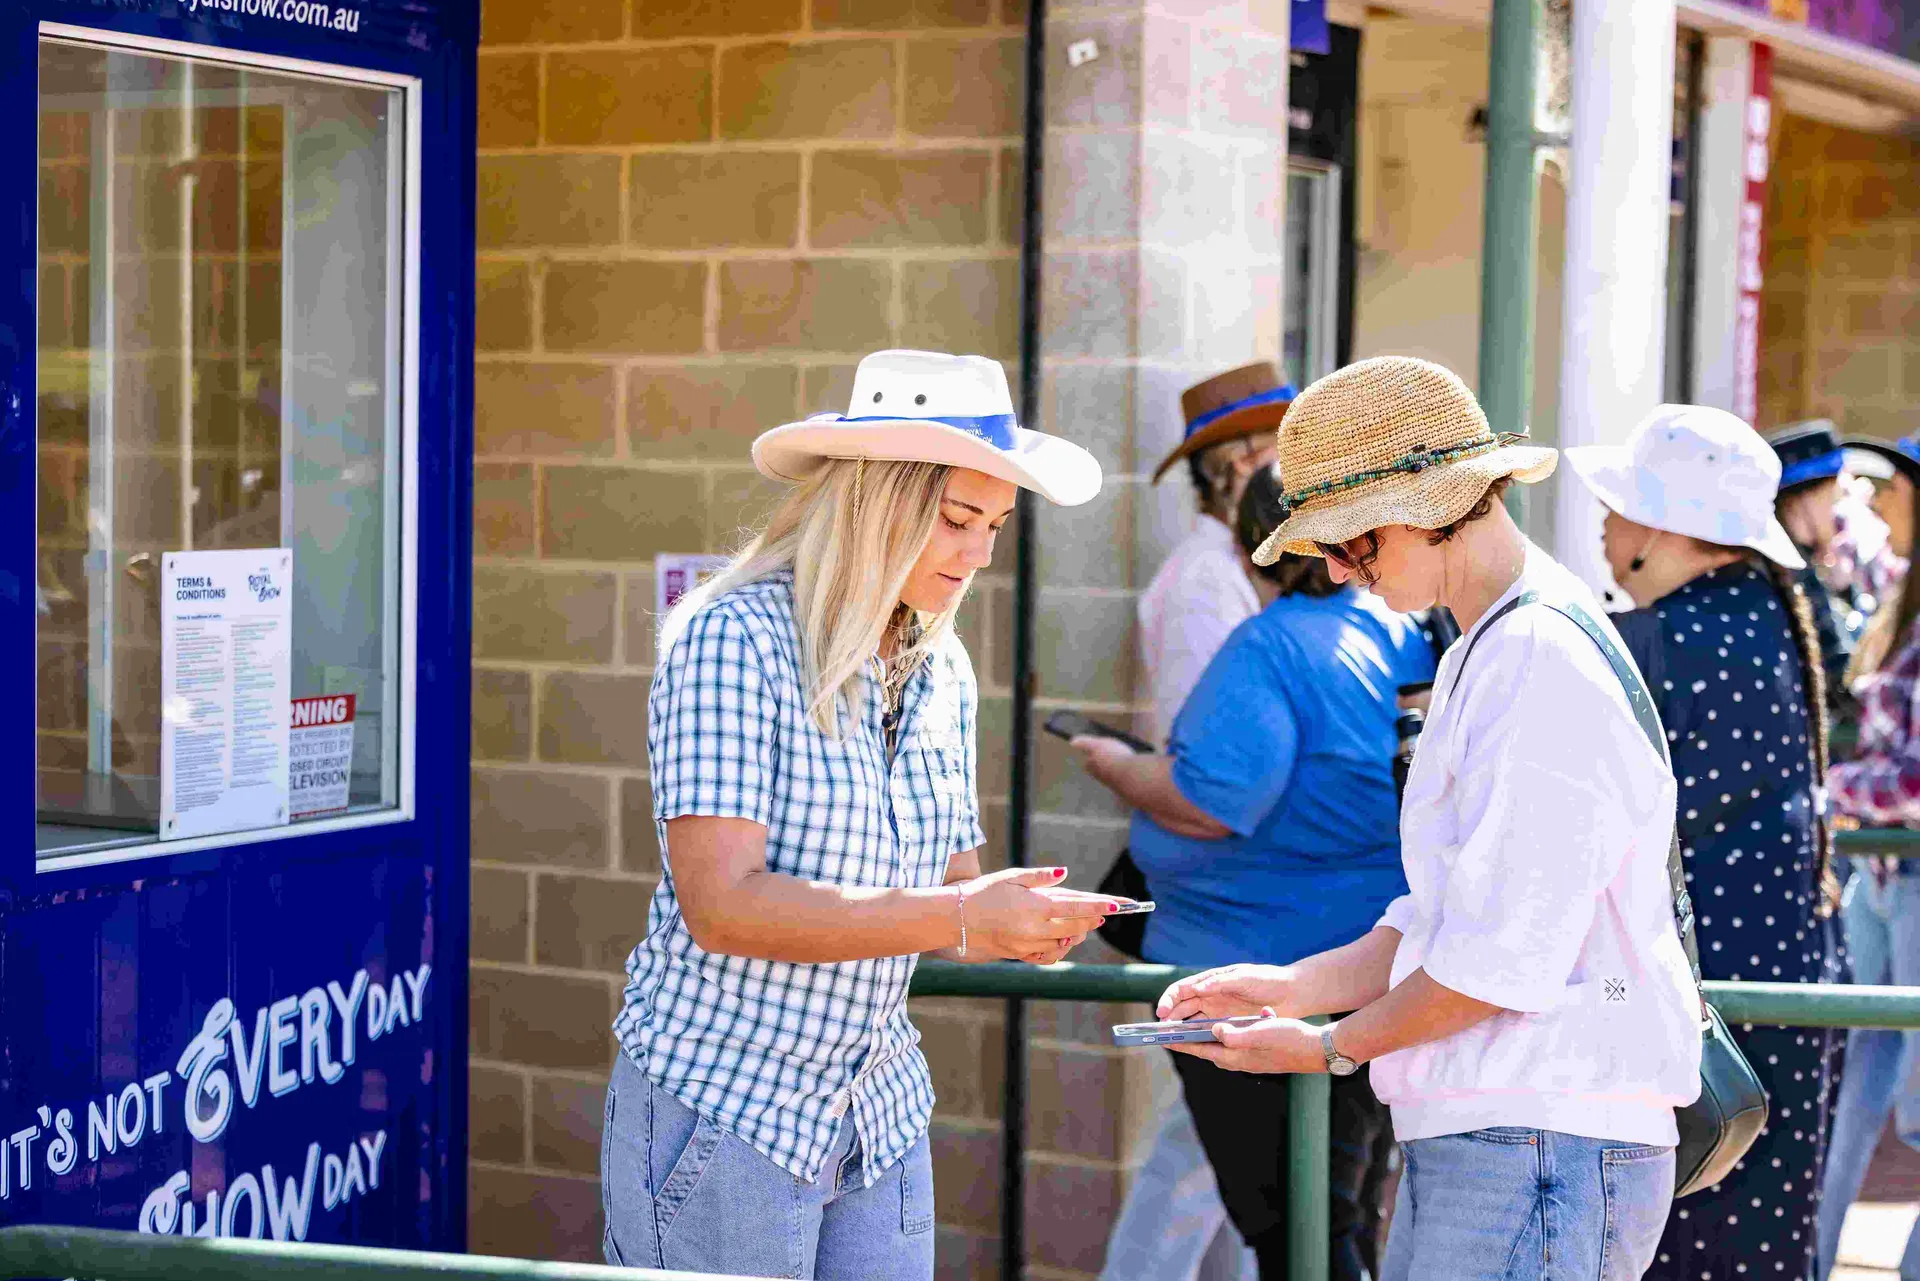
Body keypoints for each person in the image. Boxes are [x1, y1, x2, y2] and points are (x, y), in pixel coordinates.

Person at [1157, 356, 1701, 1281]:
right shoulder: (1496, 643)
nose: (1333, 566)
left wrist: (1327, 1043)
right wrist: (1291, 986)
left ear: (1430, 504)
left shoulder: (1530, 654)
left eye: (1352, 541)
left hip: (1537, 1138)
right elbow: (1447, 922)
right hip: (1513, 1135)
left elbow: (1495, 959)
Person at [602, 349, 1115, 1280]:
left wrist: (1015, 918)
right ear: (883, 501)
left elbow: (949, 889)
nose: (984, 551)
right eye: (960, 519)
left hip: (877, 1111)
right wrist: (963, 914)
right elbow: (723, 905)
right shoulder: (731, 639)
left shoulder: (945, 665)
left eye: (996, 524)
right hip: (724, 1106)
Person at [1073, 462, 1435, 1280]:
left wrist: (1117, 765)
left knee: (1300, 1233)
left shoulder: (1271, 646)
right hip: (1351, 966)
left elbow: (1217, 798)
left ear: (1249, 550)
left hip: (1269, 970)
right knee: (1332, 1219)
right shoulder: (1390, 627)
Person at [1561, 403, 1839, 1281]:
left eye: (1617, 502)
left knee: (1670, 1242)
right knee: (1759, 1243)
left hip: (1684, 1004)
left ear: (1662, 527)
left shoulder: (1650, 641)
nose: (1603, 520)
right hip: (1784, 985)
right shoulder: (1771, 617)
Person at [1101, 363, 1295, 1281]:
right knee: (1201, 1155)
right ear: (1220, 467)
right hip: (1228, 892)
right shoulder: (1203, 581)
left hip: (1262, 892)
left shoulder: (1242, 572)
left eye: (1276, 442)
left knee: (1227, 1160)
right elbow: (1209, 763)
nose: (1271, 462)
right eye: (1253, 447)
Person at [1817, 436, 1920, 1281]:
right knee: (1843, 1092)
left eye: (1897, 488)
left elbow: (1917, 780)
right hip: (1882, 881)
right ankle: (1803, 1262)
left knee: (1919, 1115)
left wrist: (1829, 787)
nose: (1881, 502)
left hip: (1910, 879)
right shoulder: (1902, 591)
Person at [1768, 419, 1861, 698]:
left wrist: (1845, 590)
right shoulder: (1788, 571)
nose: (1841, 513)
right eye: (1833, 498)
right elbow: (1844, 674)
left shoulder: (1798, 562)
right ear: (1801, 500)